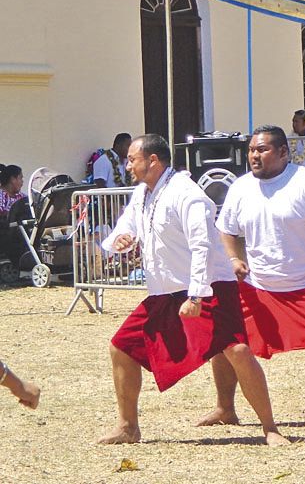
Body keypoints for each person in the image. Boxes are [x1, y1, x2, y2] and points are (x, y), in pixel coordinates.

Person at [97, 134, 286, 445]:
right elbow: (127, 225)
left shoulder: (187, 194)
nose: (127, 165)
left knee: (237, 350)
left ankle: (270, 429)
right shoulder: (143, 192)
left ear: (153, 161)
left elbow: (202, 247)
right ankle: (128, 426)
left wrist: (197, 295)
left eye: (132, 159)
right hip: (166, 290)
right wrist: (120, 240)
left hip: (209, 285)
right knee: (121, 346)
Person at [203, 125, 305, 426]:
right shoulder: (241, 187)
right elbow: (226, 229)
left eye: (263, 150)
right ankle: (225, 408)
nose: (255, 156)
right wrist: (233, 258)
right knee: (226, 341)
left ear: (283, 152)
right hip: (259, 285)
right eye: (252, 150)